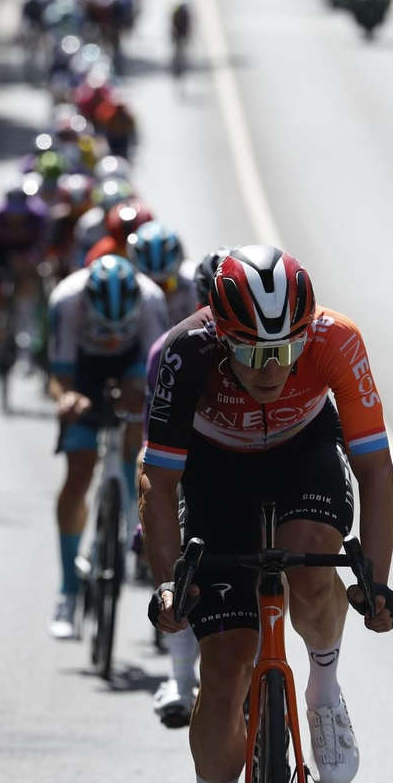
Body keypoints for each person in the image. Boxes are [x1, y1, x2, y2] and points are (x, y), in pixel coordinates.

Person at [141, 245, 393, 783]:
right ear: (221, 337)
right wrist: (168, 583)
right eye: (255, 353)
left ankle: (324, 688)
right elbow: (158, 481)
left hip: (301, 451)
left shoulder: (336, 338)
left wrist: (376, 581)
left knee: (311, 565)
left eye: (288, 349)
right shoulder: (185, 351)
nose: (274, 367)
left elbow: (375, 472)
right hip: (216, 470)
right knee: (225, 668)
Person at [46, 254, 169, 639]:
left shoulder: (151, 301)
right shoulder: (65, 300)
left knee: (140, 441)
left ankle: (137, 521)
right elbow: (58, 377)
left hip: (135, 365)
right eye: (105, 329)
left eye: (121, 329)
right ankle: (67, 589)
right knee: (79, 471)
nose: (114, 337)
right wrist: (67, 400)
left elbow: (161, 377)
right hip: (82, 370)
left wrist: (141, 404)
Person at [141, 245, 229, 728]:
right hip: (187, 456)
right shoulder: (171, 349)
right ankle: (180, 674)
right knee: (182, 568)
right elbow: (152, 444)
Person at [0, 178, 49, 390]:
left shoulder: (38, 216)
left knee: (27, 291)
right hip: (1, 257)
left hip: (28, 259)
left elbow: (44, 248)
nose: (15, 216)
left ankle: (27, 354)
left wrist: (31, 263)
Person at [169, 0, 192, 79]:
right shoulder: (178, 10)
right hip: (178, 31)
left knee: (181, 47)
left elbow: (188, 23)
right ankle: (177, 60)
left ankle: (181, 60)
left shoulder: (184, 11)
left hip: (182, 31)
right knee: (178, 47)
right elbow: (173, 23)